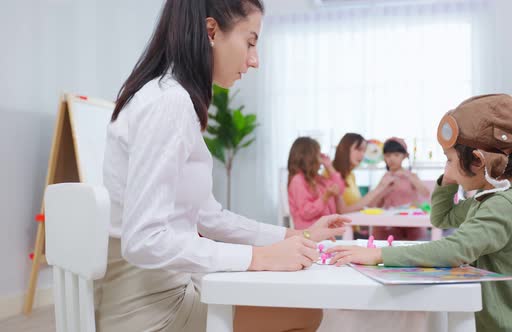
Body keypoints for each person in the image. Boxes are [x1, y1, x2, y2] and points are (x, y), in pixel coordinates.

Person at [98, 1, 349, 331]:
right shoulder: (168, 102)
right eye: (251, 41)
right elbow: (144, 239)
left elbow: (210, 217)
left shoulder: (172, 98)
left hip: (168, 289)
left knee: (298, 305)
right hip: (148, 308)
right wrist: (258, 258)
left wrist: (296, 235)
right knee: (306, 313)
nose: (254, 60)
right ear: (211, 31)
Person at [328, 94, 512, 332]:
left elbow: (455, 249)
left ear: (478, 161)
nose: (446, 167)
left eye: (449, 160)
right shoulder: (494, 197)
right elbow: (443, 217)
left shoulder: (502, 204)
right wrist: (448, 180)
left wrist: (378, 254)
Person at [374, 137, 431, 240]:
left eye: (396, 155)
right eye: (388, 155)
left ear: (404, 156)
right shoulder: (385, 178)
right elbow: (377, 204)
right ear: (384, 158)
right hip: (390, 223)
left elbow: (426, 193)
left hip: (411, 222)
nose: (392, 159)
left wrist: (408, 176)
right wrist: (384, 188)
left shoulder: (411, 176)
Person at [287, 137, 345, 229]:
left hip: (324, 231)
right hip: (309, 232)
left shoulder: (318, 179)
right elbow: (306, 212)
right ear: (310, 158)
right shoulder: (298, 181)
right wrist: (325, 197)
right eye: (319, 155)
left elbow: (340, 189)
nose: (321, 159)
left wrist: (329, 167)